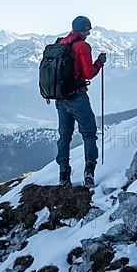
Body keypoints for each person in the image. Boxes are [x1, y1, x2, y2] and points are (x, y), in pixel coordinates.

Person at [56, 16, 106, 187]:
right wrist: (99, 62)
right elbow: (88, 73)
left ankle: (64, 176)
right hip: (77, 96)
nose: (89, 33)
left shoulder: (61, 43)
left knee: (64, 137)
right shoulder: (82, 46)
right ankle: (89, 173)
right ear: (81, 29)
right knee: (89, 133)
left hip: (60, 98)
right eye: (87, 29)